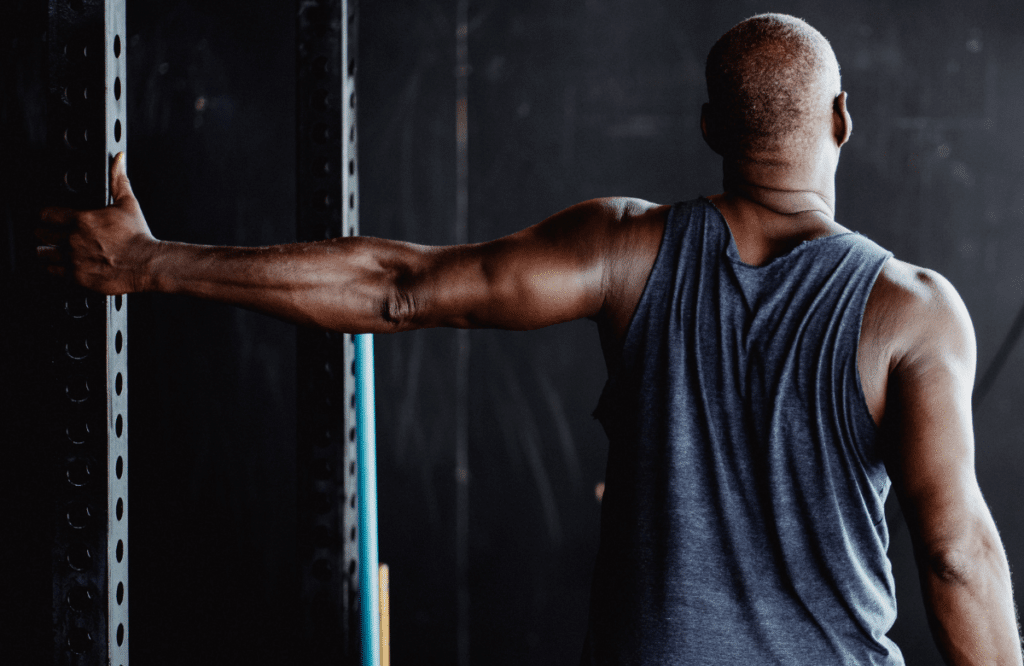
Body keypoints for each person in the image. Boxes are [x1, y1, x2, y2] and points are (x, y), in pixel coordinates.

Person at [36, 12, 1020, 666]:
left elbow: (397, 288)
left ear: (708, 125)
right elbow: (953, 552)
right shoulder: (910, 310)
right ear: (841, 120)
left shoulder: (623, 252)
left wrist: (150, 264)